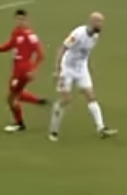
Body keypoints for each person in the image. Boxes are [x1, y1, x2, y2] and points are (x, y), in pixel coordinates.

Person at [48, 11, 116, 141]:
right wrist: (58, 70)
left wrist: (87, 67)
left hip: (81, 69)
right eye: (99, 22)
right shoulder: (77, 34)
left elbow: (85, 53)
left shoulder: (95, 36)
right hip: (67, 69)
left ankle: (101, 128)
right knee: (65, 100)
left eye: (102, 22)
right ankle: (53, 130)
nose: (101, 25)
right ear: (92, 22)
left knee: (91, 96)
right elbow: (62, 49)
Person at [0, 7, 47, 132]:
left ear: (27, 19)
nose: (20, 22)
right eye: (18, 19)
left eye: (22, 19)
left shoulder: (30, 36)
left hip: (24, 72)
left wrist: (33, 70)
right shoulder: (16, 32)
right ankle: (38, 101)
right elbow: (10, 44)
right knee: (16, 94)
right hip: (16, 71)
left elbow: (41, 55)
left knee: (11, 98)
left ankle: (19, 124)